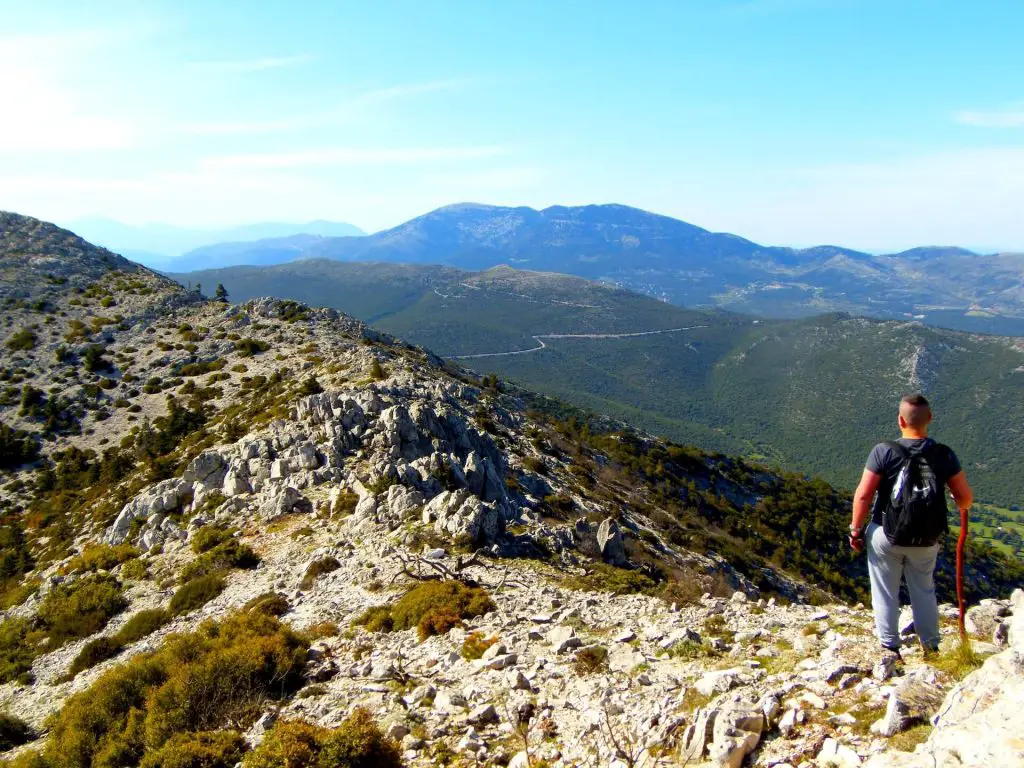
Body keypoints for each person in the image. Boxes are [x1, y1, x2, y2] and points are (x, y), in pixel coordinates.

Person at [849, 393, 973, 656]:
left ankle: (890, 647)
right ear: (930, 418)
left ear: (900, 420)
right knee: (924, 589)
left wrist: (856, 530)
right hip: (927, 536)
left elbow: (863, 495)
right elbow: (965, 499)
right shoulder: (943, 454)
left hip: (885, 533)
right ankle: (931, 646)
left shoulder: (883, 451)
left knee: (885, 591)